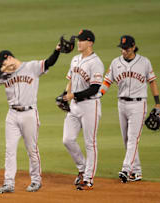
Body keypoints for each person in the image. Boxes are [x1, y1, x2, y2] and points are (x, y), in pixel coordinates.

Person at [0, 43, 61, 193]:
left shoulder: (31, 66)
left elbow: (49, 62)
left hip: (29, 114)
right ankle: (8, 183)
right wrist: (2, 70)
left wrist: (57, 51)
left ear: (10, 58)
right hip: (12, 115)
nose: (3, 66)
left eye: (4, 63)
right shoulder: (4, 74)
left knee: (31, 149)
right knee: (10, 150)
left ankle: (36, 181)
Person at [99, 35, 160, 183]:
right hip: (121, 104)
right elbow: (107, 82)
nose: (124, 51)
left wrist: (157, 103)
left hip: (138, 105)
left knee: (133, 139)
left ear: (133, 47)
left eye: (126, 48)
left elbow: (152, 82)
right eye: (122, 48)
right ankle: (137, 171)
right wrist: (98, 95)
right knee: (127, 139)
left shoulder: (144, 62)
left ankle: (126, 169)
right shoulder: (116, 63)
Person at [62, 29, 104, 190]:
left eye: (81, 40)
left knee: (90, 143)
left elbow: (95, 88)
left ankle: (88, 179)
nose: (78, 42)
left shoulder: (96, 62)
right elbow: (70, 80)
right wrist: (65, 95)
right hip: (74, 106)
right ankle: (82, 168)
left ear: (90, 43)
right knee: (67, 139)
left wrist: (72, 95)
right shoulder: (75, 59)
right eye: (77, 40)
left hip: (90, 106)